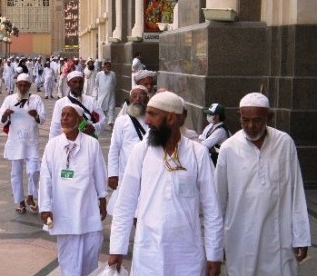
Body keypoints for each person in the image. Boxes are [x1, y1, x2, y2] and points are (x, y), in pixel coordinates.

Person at [108, 92, 223, 275]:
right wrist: (116, 249)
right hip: (148, 253)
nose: (146, 120)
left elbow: (211, 208)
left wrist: (214, 254)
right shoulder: (141, 151)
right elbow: (125, 203)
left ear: (170, 118)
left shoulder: (197, 153)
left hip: (187, 255)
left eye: (152, 114)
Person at [215, 92, 311, 276]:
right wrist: (216, 247)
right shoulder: (228, 148)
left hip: (279, 236)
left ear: (269, 117)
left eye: (257, 120)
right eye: (245, 120)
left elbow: (296, 191)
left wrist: (301, 236)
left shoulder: (284, 143)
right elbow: (219, 199)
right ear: (239, 116)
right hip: (242, 237)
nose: (251, 126)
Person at [39, 103, 107, 276]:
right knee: (68, 259)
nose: (64, 118)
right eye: (62, 115)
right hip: (63, 210)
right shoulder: (52, 145)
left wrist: (102, 198)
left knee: (90, 254)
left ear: (79, 119)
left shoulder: (92, 144)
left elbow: (99, 173)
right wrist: (45, 207)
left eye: (68, 115)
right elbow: (45, 178)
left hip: (87, 208)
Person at [0, 73, 46, 214]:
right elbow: (0, 118)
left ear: (30, 86)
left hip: (31, 140)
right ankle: (20, 201)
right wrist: (6, 114)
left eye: (26, 85)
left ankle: (31, 196)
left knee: (34, 170)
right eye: (20, 85)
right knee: (16, 172)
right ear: (16, 85)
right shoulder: (9, 99)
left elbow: (42, 118)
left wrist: (36, 115)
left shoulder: (36, 99)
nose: (23, 87)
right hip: (15, 141)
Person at [107, 85, 149, 216]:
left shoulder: (152, 120)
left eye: (141, 96)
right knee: (124, 212)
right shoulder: (121, 121)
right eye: (134, 96)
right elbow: (114, 149)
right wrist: (112, 174)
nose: (137, 99)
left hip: (148, 173)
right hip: (126, 173)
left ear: (147, 100)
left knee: (144, 212)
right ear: (129, 99)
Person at [49, 71, 105, 139]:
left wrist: (93, 127)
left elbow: (102, 121)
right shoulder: (60, 103)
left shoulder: (91, 101)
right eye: (74, 82)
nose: (78, 85)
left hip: (88, 143)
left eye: (80, 82)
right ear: (68, 84)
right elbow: (55, 128)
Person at [93, 61, 116, 127]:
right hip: (101, 95)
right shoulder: (99, 74)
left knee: (111, 108)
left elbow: (114, 83)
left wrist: (110, 89)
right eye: (106, 67)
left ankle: (111, 122)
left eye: (109, 67)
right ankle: (100, 122)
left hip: (111, 94)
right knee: (100, 108)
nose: (107, 68)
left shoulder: (112, 74)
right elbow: (96, 85)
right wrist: (96, 95)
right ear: (103, 67)